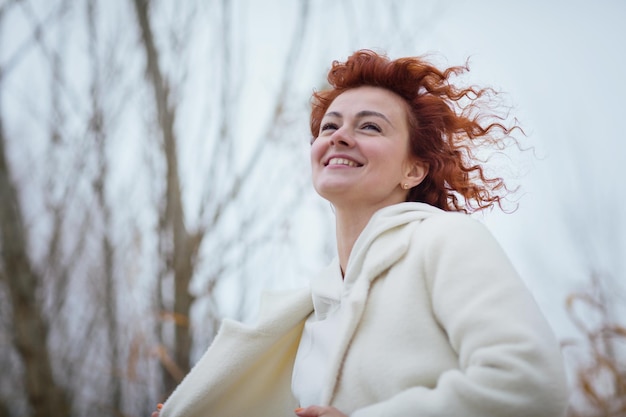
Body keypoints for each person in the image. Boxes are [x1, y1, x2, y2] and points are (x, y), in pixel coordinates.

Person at [151, 49, 568, 417]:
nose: (340, 138)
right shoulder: (314, 308)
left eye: (370, 127)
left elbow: (528, 383)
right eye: (329, 128)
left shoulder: (444, 240)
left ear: (414, 169)